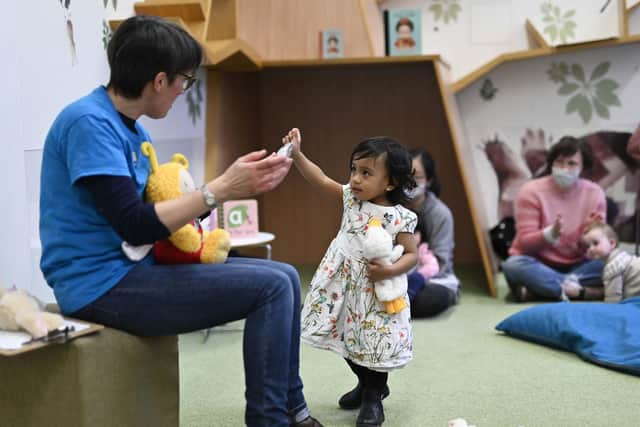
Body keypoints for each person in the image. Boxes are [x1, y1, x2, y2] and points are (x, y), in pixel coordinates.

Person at [39, 16, 322, 427]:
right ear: (159, 80)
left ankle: (293, 413)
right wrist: (220, 189)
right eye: (183, 81)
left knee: (285, 277)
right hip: (100, 286)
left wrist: (230, 186)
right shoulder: (89, 123)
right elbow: (135, 225)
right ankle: (272, 421)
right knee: (274, 286)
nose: (180, 91)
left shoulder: (131, 131)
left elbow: (159, 216)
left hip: (135, 270)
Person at [282, 128, 417, 427]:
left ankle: (372, 396)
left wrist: (391, 269)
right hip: (341, 285)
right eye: (354, 170)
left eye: (366, 173)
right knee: (343, 335)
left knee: (375, 341)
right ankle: (365, 384)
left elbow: (411, 254)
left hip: (377, 290)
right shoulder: (350, 199)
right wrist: (298, 155)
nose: (355, 178)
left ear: (391, 181)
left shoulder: (400, 217)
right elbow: (319, 179)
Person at [501, 136, 607, 302]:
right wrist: (551, 234)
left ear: (583, 166)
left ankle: (540, 290)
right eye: (559, 162)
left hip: (578, 265)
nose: (564, 168)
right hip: (537, 263)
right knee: (512, 265)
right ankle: (581, 292)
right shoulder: (530, 191)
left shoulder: (595, 193)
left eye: (572, 163)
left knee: (611, 265)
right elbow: (525, 243)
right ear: (551, 163)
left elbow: (597, 249)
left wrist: (588, 236)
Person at [406, 148, 460, 317]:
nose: (410, 182)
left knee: (430, 299)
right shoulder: (391, 208)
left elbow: (440, 264)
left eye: (418, 177)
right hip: (396, 277)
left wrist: (414, 277)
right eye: (405, 176)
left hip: (433, 280)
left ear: (429, 180)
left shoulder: (440, 214)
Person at [582, 222, 640, 302]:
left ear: (612, 243)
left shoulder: (613, 266)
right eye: (587, 246)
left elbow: (613, 300)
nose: (591, 249)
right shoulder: (622, 257)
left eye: (595, 243)